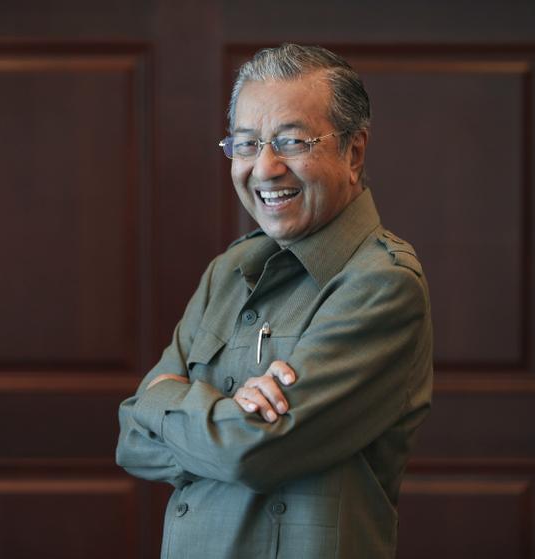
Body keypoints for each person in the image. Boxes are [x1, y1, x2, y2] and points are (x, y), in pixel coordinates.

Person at [116, 43, 433, 558]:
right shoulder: (228, 272)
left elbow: (253, 451)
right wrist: (219, 417)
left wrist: (162, 397)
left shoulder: (381, 284)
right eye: (245, 144)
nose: (264, 168)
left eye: (291, 142)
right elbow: (130, 439)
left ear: (353, 153)